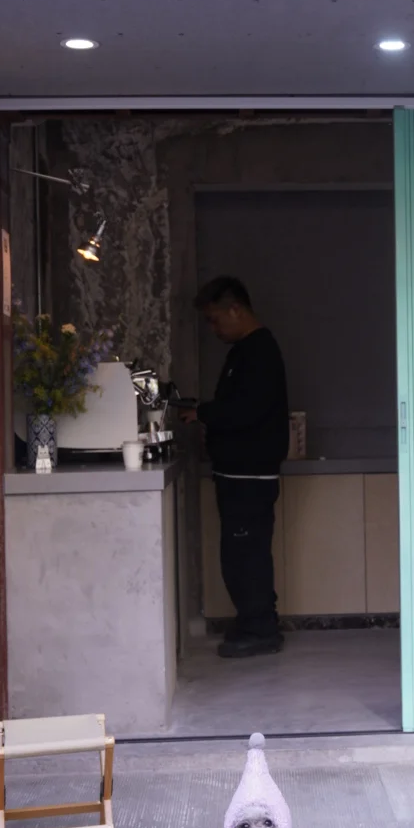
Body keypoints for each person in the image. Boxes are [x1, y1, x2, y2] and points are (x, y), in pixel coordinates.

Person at [182, 276, 290, 659]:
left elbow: (247, 409)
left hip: (250, 474)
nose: (213, 329)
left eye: (215, 320)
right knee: (241, 553)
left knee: (247, 553)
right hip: (239, 472)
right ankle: (252, 621)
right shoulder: (244, 351)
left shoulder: (259, 352)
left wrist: (205, 414)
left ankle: (260, 628)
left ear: (235, 309)